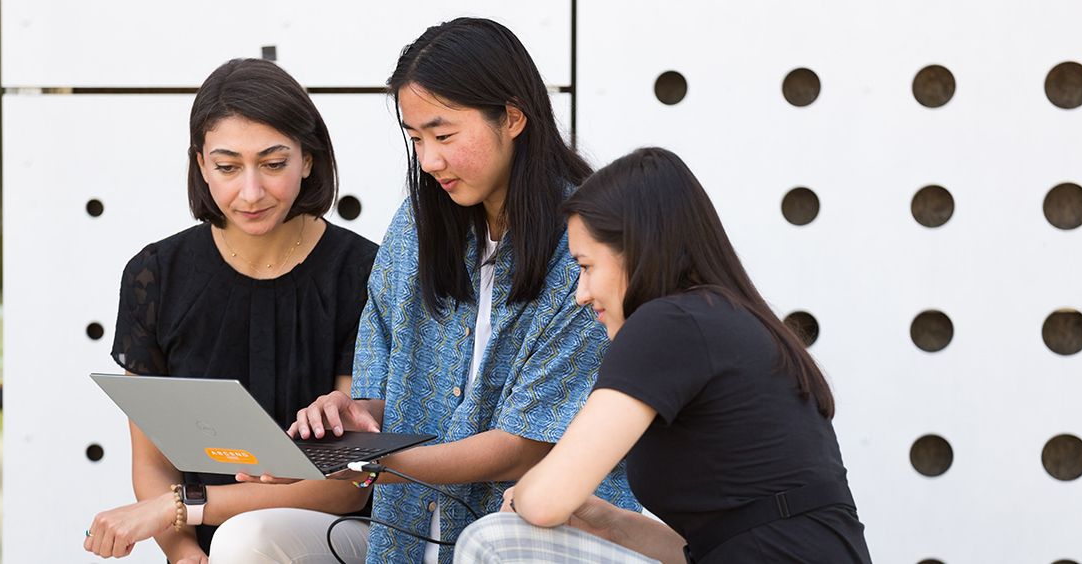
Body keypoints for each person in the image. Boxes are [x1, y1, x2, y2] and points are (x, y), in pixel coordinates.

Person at [274, 18, 638, 564]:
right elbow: (383, 403)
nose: (429, 160)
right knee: (253, 539)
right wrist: (346, 423)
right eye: (416, 138)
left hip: (537, 537)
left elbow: (528, 443)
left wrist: (370, 464)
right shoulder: (414, 230)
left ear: (513, 117)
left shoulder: (584, 247)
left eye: (444, 135)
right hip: (413, 533)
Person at [456, 148, 873, 564]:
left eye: (585, 266)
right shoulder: (728, 319)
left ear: (635, 251)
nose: (581, 294)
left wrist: (529, 492)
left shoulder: (668, 323)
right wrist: (610, 523)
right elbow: (726, 542)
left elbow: (544, 502)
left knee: (493, 540)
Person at [81, 58, 378, 564]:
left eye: (274, 163)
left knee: (248, 541)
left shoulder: (364, 273)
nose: (251, 192)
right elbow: (152, 463)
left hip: (335, 538)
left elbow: (347, 485)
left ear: (308, 160)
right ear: (200, 165)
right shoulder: (155, 275)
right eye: (227, 166)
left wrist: (178, 510)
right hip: (204, 541)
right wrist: (181, 552)